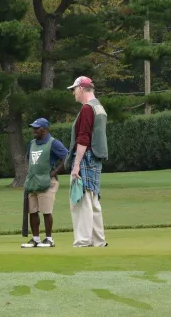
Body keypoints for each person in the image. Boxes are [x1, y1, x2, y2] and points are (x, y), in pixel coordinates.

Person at [66, 76, 110, 247]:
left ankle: (83, 240)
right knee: (93, 200)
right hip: (96, 157)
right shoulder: (99, 107)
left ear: (82, 89)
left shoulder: (86, 109)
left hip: (86, 156)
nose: (73, 93)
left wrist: (76, 164)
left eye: (74, 89)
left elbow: (83, 138)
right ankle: (98, 240)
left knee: (81, 200)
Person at [21, 118, 68, 248]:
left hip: (47, 182)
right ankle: (36, 239)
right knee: (33, 211)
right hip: (33, 182)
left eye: (37, 128)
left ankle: (49, 239)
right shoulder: (32, 143)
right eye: (33, 128)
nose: (34, 130)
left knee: (46, 211)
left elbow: (67, 157)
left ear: (45, 129)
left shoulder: (54, 143)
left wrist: (54, 173)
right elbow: (28, 158)